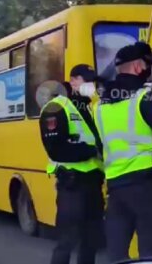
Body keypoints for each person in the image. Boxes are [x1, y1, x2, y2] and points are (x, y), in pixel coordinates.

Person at [94, 42, 152, 262]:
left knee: (117, 253)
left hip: (115, 190)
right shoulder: (145, 98)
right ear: (137, 67)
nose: (149, 70)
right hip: (145, 187)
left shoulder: (100, 107)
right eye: (148, 64)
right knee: (151, 254)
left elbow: (100, 147)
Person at [39, 64, 105, 264]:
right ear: (74, 80)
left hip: (94, 183)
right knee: (67, 241)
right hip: (72, 184)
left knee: (91, 240)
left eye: (93, 81)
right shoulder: (56, 107)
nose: (91, 85)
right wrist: (91, 151)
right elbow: (56, 149)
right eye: (87, 80)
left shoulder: (91, 107)